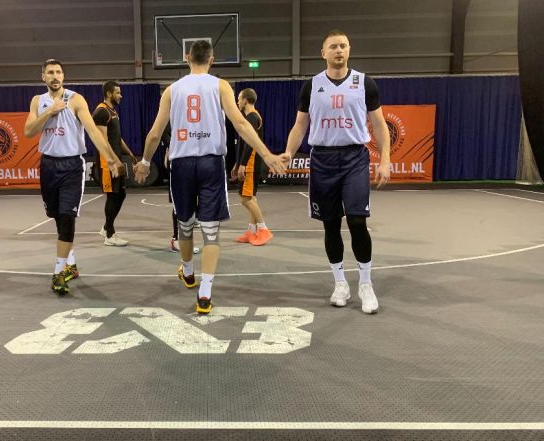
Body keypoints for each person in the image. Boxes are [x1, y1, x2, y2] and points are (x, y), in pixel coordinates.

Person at [134, 40, 288, 314]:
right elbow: (240, 124)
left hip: (181, 164)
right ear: (212, 59)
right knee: (210, 230)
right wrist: (267, 155)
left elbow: (155, 133)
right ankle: (204, 295)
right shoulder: (221, 86)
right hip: (211, 162)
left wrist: (145, 162)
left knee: (184, 225)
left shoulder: (172, 90)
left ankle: (188, 272)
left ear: (186, 57)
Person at [282, 30, 391, 314]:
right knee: (330, 224)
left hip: (354, 157)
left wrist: (385, 159)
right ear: (323, 53)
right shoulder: (312, 85)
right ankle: (340, 282)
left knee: (356, 220)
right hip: (323, 159)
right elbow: (300, 125)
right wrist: (289, 152)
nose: (338, 50)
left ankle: (365, 284)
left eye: (343, 46)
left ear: (349, 50)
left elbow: (379, 124)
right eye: (333, 46)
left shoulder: (364, 83)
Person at [24, 59, 121, 295]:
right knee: (58, 217)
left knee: (67, 216)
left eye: (58, 72)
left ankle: (59, 273)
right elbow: (28, 131)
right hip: (48, 165)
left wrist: (109, 158)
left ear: (63, 76)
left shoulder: (76, 99)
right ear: (43, 77)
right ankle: (71, 265)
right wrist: (50, 111)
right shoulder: (38, 101)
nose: (55, 76)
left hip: (71, 166)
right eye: (50, 72)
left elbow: (93, 131)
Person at [93, 81, 138, 246]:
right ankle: (109, 236)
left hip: (116, 159)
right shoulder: (101, 112)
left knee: (121, 194)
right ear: (109, 93)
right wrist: (114, 161)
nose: (121, 96)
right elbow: (103, 141)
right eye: (117, 93)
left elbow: (117, 137)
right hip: (107, 162)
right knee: (113, 196)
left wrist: (129, 153)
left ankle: (106, 227)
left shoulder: (112, 111)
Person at [232, 88, 273, 246]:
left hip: (250, 164)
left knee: (245, 199)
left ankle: (263, 229)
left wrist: (243, 164)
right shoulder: (250, 117)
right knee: (251, 197)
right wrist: (237, 163)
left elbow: (250, 144)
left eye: (239, 98)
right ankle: (251, 231)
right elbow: (243, 144)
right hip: (247, 162)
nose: (237, 102)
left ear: (245, 100)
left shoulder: (253, 117)